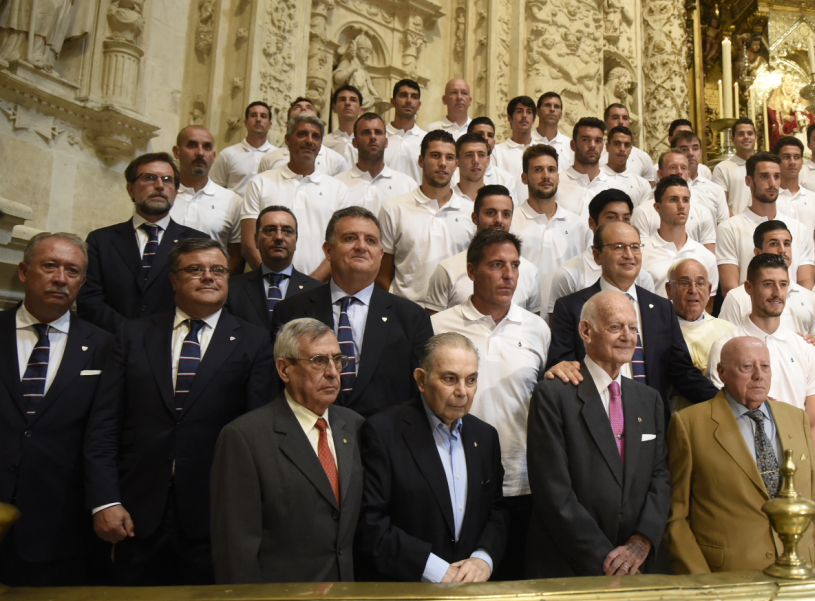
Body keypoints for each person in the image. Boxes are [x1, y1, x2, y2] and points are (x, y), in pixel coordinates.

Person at [84, 238, 277, 585]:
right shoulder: (133, 334)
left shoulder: (255, 341)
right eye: (195, 270)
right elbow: (104, 424)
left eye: (218, 270)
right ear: (173, 279)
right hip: (134, 514)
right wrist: (104, 502)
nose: (208, 277)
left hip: (213, 515)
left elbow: (258, 437)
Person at [525, 291, 670, 578]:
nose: (628, 337)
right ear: (586, 331)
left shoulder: (649, 399)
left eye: (633, 328)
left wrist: (642, 542)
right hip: (570, 568)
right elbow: (554, 492)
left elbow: (660, 476)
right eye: (616, 327)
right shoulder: (553, 394)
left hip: (637, 563)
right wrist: (609, 561)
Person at [430, 235, 550, 580]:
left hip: (522, 483)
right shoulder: (439, 326)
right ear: (471, 270)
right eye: (497, 265)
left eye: (514, 266)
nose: (508, 275)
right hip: (457, 483)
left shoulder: (538, 329)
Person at [210, 318, 365, 583]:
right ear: (284, 369)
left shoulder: (355, 426)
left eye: (337, 359)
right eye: (318, 360)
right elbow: (235, 550)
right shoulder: (244, 437)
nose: (332, 372)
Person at [0, 233, 114, 587]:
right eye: (50, 266)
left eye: (72, 271)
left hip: (61, 527)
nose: (60, 278)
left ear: (82, 281)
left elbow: (103, 433)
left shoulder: (104, 347)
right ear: (23, 271)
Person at [665, 336, 815, 573]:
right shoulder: (689, 424)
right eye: (747, 367)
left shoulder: (797, 418)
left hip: (798, 572)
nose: (759, 375)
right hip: (727, 579)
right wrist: (702, 583)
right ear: (722, 372)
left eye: (765, 366)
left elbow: (814, 502)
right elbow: (676, 516)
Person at [359, 333, 509, 582]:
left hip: (472, 589)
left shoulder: (485, 436)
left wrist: (484, 558)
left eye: (471, 380)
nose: (462, 391)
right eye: (450, 379)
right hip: (408, 588)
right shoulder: (383, 432)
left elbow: (497, 510)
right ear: (421, 379)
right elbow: (371, 523)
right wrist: (436, 571)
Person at [547, 221, 718, 419]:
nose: (629, 254)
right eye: (618, 247)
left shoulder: (662, 308)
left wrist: (723, 402)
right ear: (597, 255)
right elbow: (563, 367)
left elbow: (682, 371)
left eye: (635, 247)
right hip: (595, 421)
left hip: (651, 421)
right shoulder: (572, 307)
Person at [274, 207, 434, 418]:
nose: (361, 246)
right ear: (328, 250)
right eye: (350, 238)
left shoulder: (412, 318)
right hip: (311, 437)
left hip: (387, 442)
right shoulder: (291, 311)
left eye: (371, 241)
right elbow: (278, 385)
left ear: (380, 254)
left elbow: (423, 393)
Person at [705, 254, 815, 457]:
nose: (777, 293)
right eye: (768, 284)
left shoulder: (805, 348)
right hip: (742, 462)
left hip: (796, 462)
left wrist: (802, 472)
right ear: (748, 288)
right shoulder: (725, 347)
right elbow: (722, 416)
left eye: (783, 284)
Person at [77, 152, 209, 333]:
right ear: (130, 189)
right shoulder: (101, 241)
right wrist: (130, 332)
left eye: (168, 180)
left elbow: (203, 300)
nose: (160, 186)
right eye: (150, 178)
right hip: (111, 345)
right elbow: (89, 301)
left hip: (172, 346)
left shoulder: (198, 243)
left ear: (176, 192)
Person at [240, 113, 353, 280]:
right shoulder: (260, 183)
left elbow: (341, 246)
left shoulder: (338, 189)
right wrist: (273, 279)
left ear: (321, 145)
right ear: (287, 140)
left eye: (315, 136)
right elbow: (249, 243)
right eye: (302, 134)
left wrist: (308, 285)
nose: (309, 141)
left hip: (318, 289)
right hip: (266, 286)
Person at [377, 130, 476, 305]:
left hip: (455, 315)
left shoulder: (471, 212)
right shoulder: (394, 208)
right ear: (421, 161)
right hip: (406, 313)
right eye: (435, 156)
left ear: (457, 164)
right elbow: (382, 273)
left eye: (449, 157)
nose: (443, 163)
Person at [426, 186, 541, 314]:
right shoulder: (447, 270)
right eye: (490, 213)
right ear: (475, 218)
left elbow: (533, 326)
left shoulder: (530, 272)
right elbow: (435, 327)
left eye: (506, 214)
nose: (499, 220)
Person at [716, 151, 815, 293]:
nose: (772, 183)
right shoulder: (730, 228)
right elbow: (730, 288)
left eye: (776, 177)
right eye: (764, 176)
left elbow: (805, 284)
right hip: (748, 311)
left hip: (793, 311)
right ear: (749, 181)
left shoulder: (798, 228)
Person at [510, 144, 589, 315]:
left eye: (551, 170)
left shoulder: (579, 225)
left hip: (567, 321)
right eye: (538, 170)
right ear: (524, 178)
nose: (546, 176)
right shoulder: (509, 222)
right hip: (521, 318)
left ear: (558, 177)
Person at [549, 189, 654, 317]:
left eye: (626, 219)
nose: (619, 224)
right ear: (592, 223)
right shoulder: (568, 274)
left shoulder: (642, 277)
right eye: (611, 218)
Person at [225, 206, 324, 332]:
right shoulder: (232, 289)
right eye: (270, 230)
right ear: (256, 240)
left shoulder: (317, 291)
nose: (278, 237)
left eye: (287, 231)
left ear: (296, 240)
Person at [719, 220, 815, 338]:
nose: (782, 250)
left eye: (787, 244)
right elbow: (726, 341)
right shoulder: (736, 297)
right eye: (774, 244)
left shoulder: (811, 298)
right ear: (758, 252)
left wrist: (810, 345)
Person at [170, 125, 244, 273]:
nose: (200, 153)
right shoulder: (163, 196)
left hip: (210, 288)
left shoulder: (232, 201)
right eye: (192, 145)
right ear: (177, 152)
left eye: (207, 147)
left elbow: (236, 255)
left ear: (214, 156)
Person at [639, 176, 718, 297]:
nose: (681, 206)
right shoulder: (641, 254)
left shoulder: (706, 257)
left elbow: (707, 307)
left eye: (686, 200)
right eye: (673, 200)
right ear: (657, 207)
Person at [557, 119, 650, 218]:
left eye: (598, 141)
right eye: (585, 139)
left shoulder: (617, 188)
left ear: (603, 146)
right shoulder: (556, 183)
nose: (592, 145)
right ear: (573, 145)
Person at [334, 111, 419, 216]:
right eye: (366, 132)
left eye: (378, 132)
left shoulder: (407, 186)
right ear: (354, 142)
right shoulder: (337, 185)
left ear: (386, 142)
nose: (373, 137)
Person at [630, 150, 717, 251]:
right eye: (673, 167)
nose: (679, 172)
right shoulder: (643, 212)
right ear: (660, 174)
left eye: (683, 168)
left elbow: (709, 255)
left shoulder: (703, 212)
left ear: (688, 175)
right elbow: (641, 251)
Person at [666, 258, 735, 382]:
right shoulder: (659, 331)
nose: (693, 290)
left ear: (709, 291)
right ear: (669, 290)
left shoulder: (729, 332)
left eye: (700, 284)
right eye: (684, 283)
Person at [773, 135, 815, 276]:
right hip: (773, 275)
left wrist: (809, 279)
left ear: (802, 162)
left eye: (797, 157)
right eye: (786, 157)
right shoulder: (768, 200)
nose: (792, 162)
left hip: (809, 277)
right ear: (776, 161)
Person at [257, 98, 351, 176]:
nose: (303, 109)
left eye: (309, 108)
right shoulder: (269, 159)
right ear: (288, 124)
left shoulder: (336, 161)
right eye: (297, 108)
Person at [209, 101, 277, 195]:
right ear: (245, 122)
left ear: (270, 124)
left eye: (263, 116)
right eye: (253, 115)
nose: (258, 119)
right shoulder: (228, 154)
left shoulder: (278, 156)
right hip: (235, 209)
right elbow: (215, 188)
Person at [672, 130, 731, 224]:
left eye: (695, 149)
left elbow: (722, 226)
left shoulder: (716, 190)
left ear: (701, 152)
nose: (691, 153)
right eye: (684, 149)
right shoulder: (664, 190)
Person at [452, 132, 519, 202]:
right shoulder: (447, 198)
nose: (476, 161)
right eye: (469, 155)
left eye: (481, 155)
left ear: (487, 161)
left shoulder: (497, 201)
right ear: (457, 161)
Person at [711, 117, 758, 215]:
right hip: (735, 226)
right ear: (733, 139)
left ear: (756, 137)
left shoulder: (764, 166)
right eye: (741, 134)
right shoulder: (722, 168)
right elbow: (721, 205)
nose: (746, 137)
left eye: (750, 133)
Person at [600, 103, 657, 184]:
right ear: (605, 124)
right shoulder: (596, 153)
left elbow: (648, 189)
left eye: (625, 118)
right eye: (615, 118)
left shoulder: (643, 157)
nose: (620, 122)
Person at [385, 80, 427, 182]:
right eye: (403, 95)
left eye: (414, 97)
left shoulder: (426, 140)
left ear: (419, 104)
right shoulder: (379, 137)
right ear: (393, 102)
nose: (409, 100)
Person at [491, 96, 536, 174]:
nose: (524, 116)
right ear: (509, 118)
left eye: (529, 112)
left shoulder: (543, 151)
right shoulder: (496, 152)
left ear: (534, 119)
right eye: (519, 111)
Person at [322, 85, 363, 167]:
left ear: (360, 110)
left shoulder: (367, 142)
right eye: (342, 99)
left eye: (353, 100)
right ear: (334, 108)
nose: (347, 103)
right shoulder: (324, 143)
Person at [532, 92, 572, 172]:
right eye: (547, 105)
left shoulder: (571, 146)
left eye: (556, 107)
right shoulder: (526, 142)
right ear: (537, 111)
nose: (552, 109)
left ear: (561, 114)